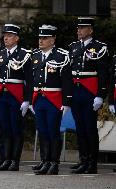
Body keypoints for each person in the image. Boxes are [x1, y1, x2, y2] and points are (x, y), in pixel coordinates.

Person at [31, 25, 73, 175]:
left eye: (45, 38)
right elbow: (31, 80)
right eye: (40, 38)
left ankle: (54, 162)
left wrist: (67, 102)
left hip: (54, 98)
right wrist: (30, 100)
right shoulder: (35, 55)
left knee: (53, 131)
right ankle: (45, 161)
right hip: (39, 98)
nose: (41, 41)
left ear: (53, 39)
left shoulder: (61, 55)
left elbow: (67, 81)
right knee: (42, 131)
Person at [69, 17, 109, 174]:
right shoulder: (73, 47)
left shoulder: (99, 47)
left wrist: (100, 95)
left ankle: (92, 163)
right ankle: (83, 160)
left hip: (90, 92)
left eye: (83, 27)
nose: (79, 30)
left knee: (90, 128)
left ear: (90, 30)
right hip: (76, 91)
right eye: (78, 27)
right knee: (79, 128)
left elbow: (103, 74)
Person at [0, 24, 32, 171]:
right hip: (3, 95)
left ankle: (15, 160)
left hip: (16, 96)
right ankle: (6, 159)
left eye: (9, 36)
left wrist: (27, 100)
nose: (5, 38)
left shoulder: (24, 55)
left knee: (16, 129)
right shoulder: (1, 54)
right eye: (5, 35)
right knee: (5, 129)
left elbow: (30, 80)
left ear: (16, 38)